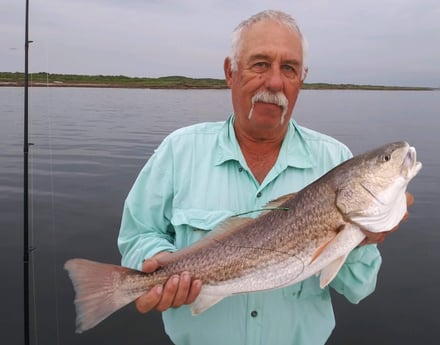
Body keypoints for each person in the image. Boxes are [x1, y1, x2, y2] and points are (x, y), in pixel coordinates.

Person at [118, 9, 410, 345]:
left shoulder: (335, 160)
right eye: (260, 64)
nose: (275, 82)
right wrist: (159, 266)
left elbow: (359, 287)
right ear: (230, 72)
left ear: (302, 78)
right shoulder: (179, 150)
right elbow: (138, 234)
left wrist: (363, 236)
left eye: (289, 68)